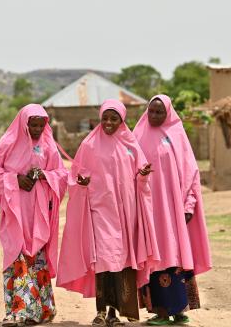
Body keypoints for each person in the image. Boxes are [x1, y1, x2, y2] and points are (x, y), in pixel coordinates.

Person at [57, 99, 160, 327]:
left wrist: (142, 175)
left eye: (114, 119)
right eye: (105, 118)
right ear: (99, 119)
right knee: (104, 261)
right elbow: (75, 176)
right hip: (99, 210)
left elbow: (142, 179)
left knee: (120, 264)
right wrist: (81, 183)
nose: (109, 123)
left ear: (122, 120)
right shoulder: (89, 145)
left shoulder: (130, 145)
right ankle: (100, 312)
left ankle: (114, 313)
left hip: (125, 214)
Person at [0, 104, 68, 326]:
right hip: (16, 213)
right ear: (24, 123)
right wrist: (14, 179)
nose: (38, 129)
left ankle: (40, 310)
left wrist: (43, 176)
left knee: (37, 258)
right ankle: (18, 312)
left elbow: (61, 175)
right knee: (17, 256)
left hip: (38, 214)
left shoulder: (48, 147)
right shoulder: (6, 145)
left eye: (41, 125)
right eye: (33, 125)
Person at [133, 95, 212, 326]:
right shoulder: (137, 136)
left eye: (159, 112)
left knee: (175, 256)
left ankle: (180, 310)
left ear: (168, 113)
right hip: (149, 211)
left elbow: (191, 173)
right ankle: (160, 312)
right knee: (154, 256)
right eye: (151, 112)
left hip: (174, 211)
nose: (155, 116)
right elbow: (131, 173)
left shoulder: (177, 135)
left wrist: (188, 206)